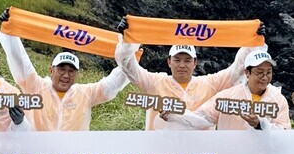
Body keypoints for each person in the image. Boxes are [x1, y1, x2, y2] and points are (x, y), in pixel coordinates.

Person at [114, 19, 266, 130]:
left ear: (195, 63)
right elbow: (128, 66)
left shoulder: (209, 83)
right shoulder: (155, 82)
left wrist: (253, 43)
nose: (182, 65)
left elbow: (237, 70)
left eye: (187, 60)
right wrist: (126, 39)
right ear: (169, 62)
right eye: (177, 60)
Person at [0, 25, 130, 131]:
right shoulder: (36, 87)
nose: (66, 75)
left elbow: (114, 83)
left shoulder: (86, 94)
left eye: (71, 71)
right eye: (61, 69)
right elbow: (19, 59)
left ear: (76, 74)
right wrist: (9, 31)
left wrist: (129, 47)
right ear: (51, 70)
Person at [164, 50, 291, 130]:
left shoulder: (278, 100)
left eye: (268, 73)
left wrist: (260, 124)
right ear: (247, 73)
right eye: (259, 73)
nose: (264, 77)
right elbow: (202, 119)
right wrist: (174, 115)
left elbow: (285, 133)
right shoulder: (228, 96)